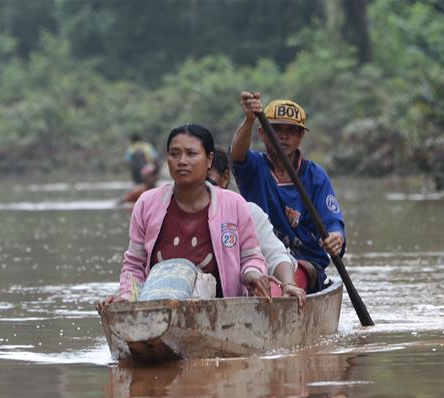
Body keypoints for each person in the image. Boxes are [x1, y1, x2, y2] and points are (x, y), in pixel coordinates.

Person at [98, 124, 270, 312]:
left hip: (222, 312)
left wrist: (253, 274)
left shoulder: (234, 204)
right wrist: (125, 296)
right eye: (174, 154)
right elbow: (134, 264)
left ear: (209, 159)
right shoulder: (147, 203)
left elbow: (251, 258)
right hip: (157, 311)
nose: (182, 161)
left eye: (191, 153)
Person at [230, 92, 346, 294]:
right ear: (262, 134)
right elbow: (237, 155)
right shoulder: (254, 167)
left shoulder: (315, 176)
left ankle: (284, 290)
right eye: (276, 129)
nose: (283, 136)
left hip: (305, 260)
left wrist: (336, 237)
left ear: (301, 136)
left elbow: (332, 222)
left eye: (291, 131)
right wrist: (249, 118)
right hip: (258, 256)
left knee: (288, 280)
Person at [208, 147, 305, 307]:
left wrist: (288, 284)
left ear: (225, 179)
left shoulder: (246, 211)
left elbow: (275, 255)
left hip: (237, 301)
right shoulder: (168, 211)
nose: (200, 189)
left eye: (207, 179)